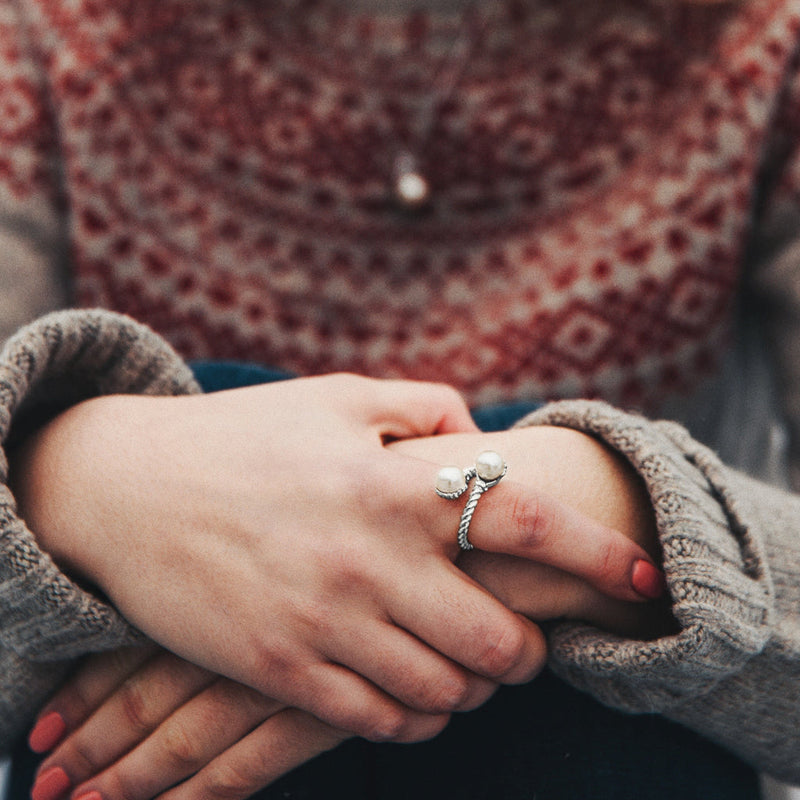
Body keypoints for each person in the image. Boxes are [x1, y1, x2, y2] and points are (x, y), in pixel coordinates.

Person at [1, 0, 800, 797]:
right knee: (214, 402)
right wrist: (69, 482)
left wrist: (628, 517)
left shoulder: (761, 38)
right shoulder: (48, 29)